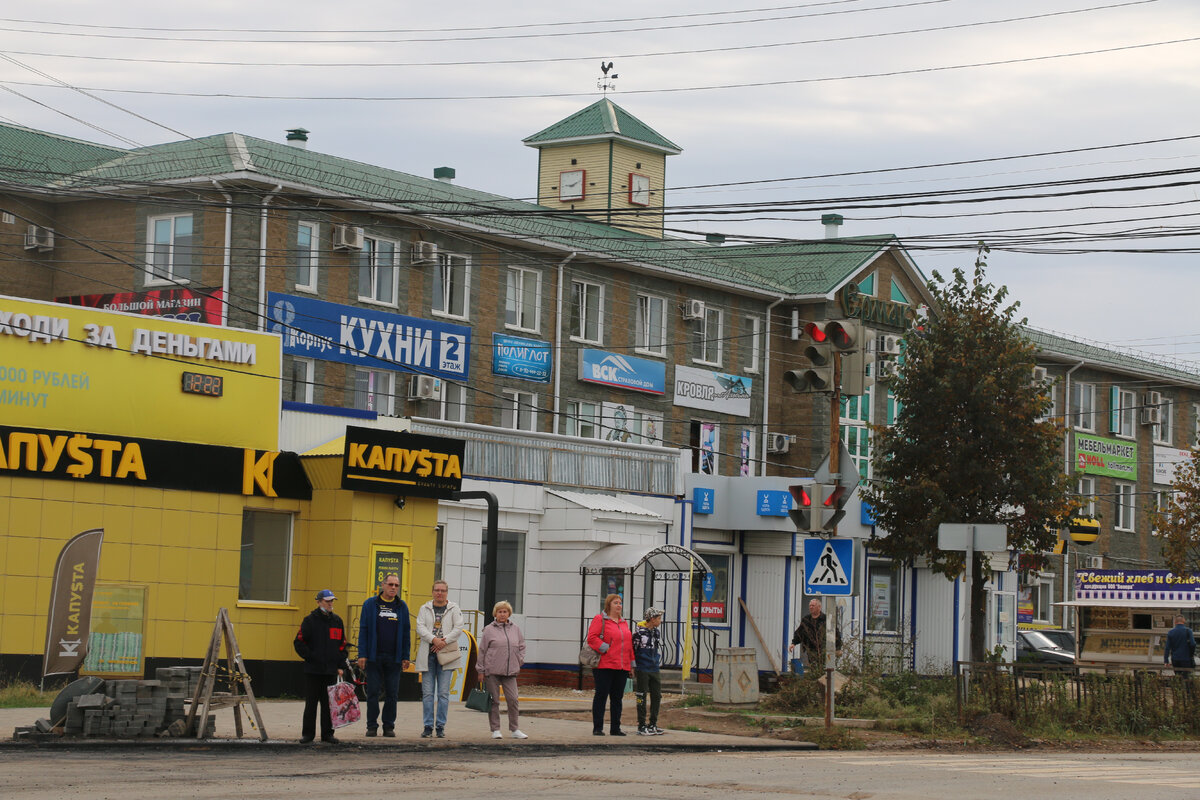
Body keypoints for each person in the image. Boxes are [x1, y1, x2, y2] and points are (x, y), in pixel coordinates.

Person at [357, 573, 411, 737]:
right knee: (373, 692)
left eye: (396, 585)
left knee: (392, 693)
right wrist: (362, 654)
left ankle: (389, 726)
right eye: (390, 584)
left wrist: (405, 655)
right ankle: (371, 725)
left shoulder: (402, 606)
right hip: (374, 656)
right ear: (383, 585)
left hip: (394, 658)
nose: (393, 588)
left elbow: (406, 632)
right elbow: (364, 630)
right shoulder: (370, 604)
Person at [293, 589, 347, 744]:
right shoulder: (310, 620)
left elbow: (342, 645)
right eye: (327, 601)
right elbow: (299, 642)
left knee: (329, 704)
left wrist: (340, 664)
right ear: (319, 602)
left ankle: (327, 734)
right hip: (313, 671)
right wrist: (311, 657)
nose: (330, 604)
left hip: (330, 670)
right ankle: (308, 734)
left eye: (332, 601)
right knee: (311, 704)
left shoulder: (337, 621)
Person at [415, 579, 464, 738]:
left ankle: (440, 727)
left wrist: (443, 642)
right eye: (437, 590)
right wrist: (433, 640)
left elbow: (458, 628)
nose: (439, 593)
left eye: (443, 590)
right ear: (432, 591)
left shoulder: (454, 608)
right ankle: (428, 726)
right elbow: (420, 627)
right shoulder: (425, 608)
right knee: (428, 693)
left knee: (443, 693)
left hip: (446, 656)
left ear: (446, 593)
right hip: (428, 656)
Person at [477, 600, 528, 740]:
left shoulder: (515, 628)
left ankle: (515, 729)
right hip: (491, 671)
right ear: (495, 614)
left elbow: (522, 646)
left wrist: (519, 660)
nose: (502, 614)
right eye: (500, 612)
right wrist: (480, 670)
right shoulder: (489, 629)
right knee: (494, 701)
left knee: (513, 699)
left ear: (509, 613)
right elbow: (482, 650)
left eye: (505, 611)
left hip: (510, 671)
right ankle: (496, 729)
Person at [586, 593, 634, 736]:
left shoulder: (624, 622)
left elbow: (629, 645)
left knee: (617, 698)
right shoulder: (600, 619)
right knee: (601, 695)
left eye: (620, 603)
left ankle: (615, 728)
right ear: (608, 605)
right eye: (616, 603)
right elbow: (592, 638)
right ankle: (598, 727)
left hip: (622, 666)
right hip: (604, 665)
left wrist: (631, 665)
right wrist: (604, 647)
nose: (619, 605)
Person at [633, 606, 665, 736]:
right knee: (641, 695)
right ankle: (641, 725)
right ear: (652, 619)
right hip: (643, 668)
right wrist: (633, 666)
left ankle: (653, 723)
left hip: (654, 667)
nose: (660, 621)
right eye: (658, 618)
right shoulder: (639, 633)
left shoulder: (656, 632)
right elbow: (633, 650)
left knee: (656, 695)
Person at [790, 598, 842, 671]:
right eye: (810, 606)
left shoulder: (826, 619)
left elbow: (835, 634)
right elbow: (799, 632)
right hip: (811, 650)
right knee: (814, 668)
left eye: (813, 605)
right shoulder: (806, 619)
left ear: (819, 607)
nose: (811, 607)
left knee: (824, 668)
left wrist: (838, 648)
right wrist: (793, 643)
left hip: (824, 649)